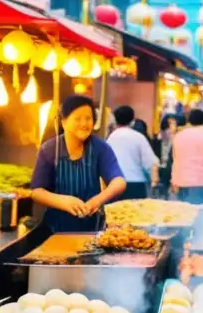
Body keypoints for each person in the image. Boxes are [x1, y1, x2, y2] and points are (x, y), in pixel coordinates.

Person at [30, 95, 127, 232]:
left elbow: (119, 181)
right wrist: (63, 201)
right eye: (77, 118)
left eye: (88, 118)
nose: (84, 124)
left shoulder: (100, 148)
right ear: (63, 122)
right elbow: (37, 192)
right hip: (55, 231)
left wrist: (97, 201)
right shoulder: (50, 149)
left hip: (92, 230)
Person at [107, 105, 159, 200]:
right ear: (132, 121)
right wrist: (153, 181)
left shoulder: (110, 139)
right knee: (135, 214)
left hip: (115, 184)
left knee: (116, 213)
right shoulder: (139, 137)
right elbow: (150, 163)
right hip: (136, 184)